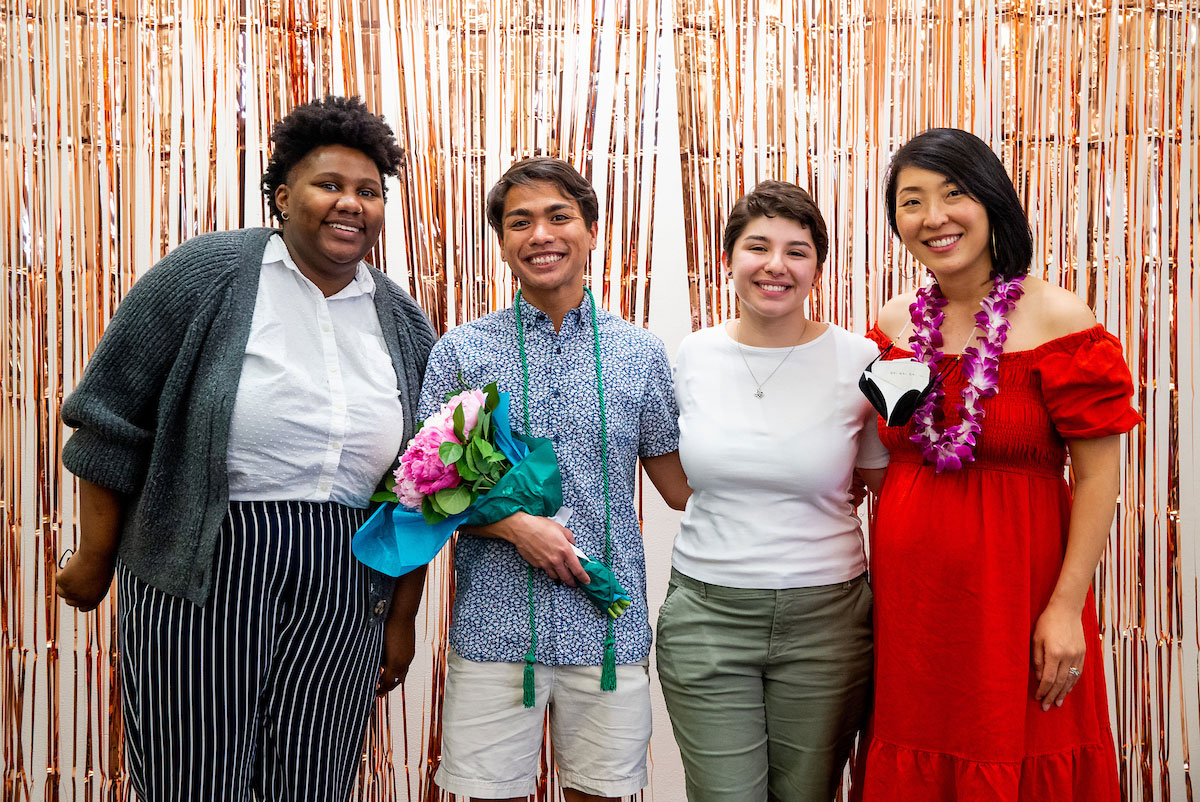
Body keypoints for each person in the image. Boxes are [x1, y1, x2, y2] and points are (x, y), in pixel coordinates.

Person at [54, 96, 436, 802]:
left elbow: (419, 489)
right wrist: (95, 556)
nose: (350, 203)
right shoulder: (208, 275)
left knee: (315, 779)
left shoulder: (404, 321)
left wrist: (402, 618)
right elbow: (108, 413)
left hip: (347, 576)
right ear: (283, 196)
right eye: (329, 185)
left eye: (369, 191)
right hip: (205, 559)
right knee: (192, 772)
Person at [854, 128, 1140, 800]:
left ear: (992, 200)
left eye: (953, 195)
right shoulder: (894, 325)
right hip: (915, 612)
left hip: (1017, 597)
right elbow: (873, 452)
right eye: (912, 201)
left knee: (1017, 749)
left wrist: (1065, 609)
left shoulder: (1059, 318)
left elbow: (1100, 476)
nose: (934, 218)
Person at [421, 157, 688, 802]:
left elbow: (680, 485)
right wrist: (517, 529)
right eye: (520, 222)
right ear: (504, 243)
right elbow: (427, 484)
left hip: (608, 628)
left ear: (591, 231)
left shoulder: (640, 352)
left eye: (559, 217)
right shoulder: (463, 350)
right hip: (493, 626)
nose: (541, 234)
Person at [654, 181, 888, 801]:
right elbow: (679, 485)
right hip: (707, 615)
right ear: (728, 258)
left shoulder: (861, 360)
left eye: (798, 251)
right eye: (757, 247)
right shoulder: (693, 355)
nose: (776, 266)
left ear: (817, 267)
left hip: (827, 622)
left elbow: (883, 485)